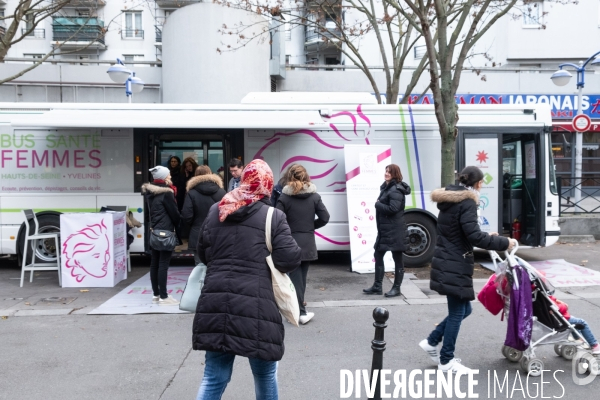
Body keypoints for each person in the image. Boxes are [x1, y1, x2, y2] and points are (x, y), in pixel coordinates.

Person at [193, 159, 302, 400]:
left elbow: (203, 253)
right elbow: (288, 260)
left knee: (213, 377)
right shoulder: (273, 216)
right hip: (258, 305)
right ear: (267, 184)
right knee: (264, 374)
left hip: (216, 301)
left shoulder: (216, 210)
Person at [418, 165, 517, 373]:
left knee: (465, 309)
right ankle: (446, 360)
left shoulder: (450, 200)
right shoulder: (468, 203)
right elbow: (473, 236)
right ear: (478, 183)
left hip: (448, 260)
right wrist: (503, 242)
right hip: (454, 263)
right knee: (457, 312)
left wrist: (488, 236)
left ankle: (432, 341)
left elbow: (461, 231)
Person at [276, 164, 329, 324]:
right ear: (306, 177)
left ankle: (295, 309)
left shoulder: (284, 198)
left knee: (292, 278)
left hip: (288, 242)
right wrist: (310, 227)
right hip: (307, 244)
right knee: (300, 279)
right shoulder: (314, 197)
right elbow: (325, 218)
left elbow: (276, 219)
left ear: (289, 177)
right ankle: (300, 312)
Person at [363, 164, 411, 297]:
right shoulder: (387, 187)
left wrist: (378, 204)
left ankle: (396, 288)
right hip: (386, 230)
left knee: (397, 258)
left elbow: (393, 209)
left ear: (395, 174)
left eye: (389, 172)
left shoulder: (395, 189)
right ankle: (377, 286)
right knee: (378, 255)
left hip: (395, 230)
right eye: (386, 171)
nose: (386, 173)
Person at [141, 165, 182, 306]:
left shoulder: (149, 193)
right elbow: (175, 214)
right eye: (169, 175)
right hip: (166, 232)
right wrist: (180, 225)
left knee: (154, 264)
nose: (170, 177)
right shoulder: (167, 193)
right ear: (164, 177)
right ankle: (164, 297)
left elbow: (148, 214)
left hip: (154, 231)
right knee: (163, 264)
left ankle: (156, 294)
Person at [181, 165, 225, 264]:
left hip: (197, 234)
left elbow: (186, 215)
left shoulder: (191, 193)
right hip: (217, 233)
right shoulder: (221, 192)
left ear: (196, 176)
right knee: (216, 265)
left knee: (199, 267)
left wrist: (193, 226)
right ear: (210, 174)